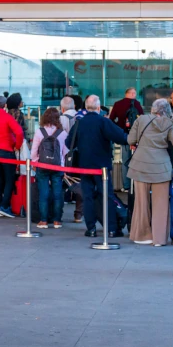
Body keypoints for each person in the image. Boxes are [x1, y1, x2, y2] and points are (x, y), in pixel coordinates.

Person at [66, 95, 128, 238]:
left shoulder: (79, 123)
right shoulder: (103, 121)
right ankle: (112, 229)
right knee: (107, 196)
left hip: (84, 166)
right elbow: (120, 136)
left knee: (87, 197)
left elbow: (69, 143)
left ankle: (91, 228)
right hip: (102, 167)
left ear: (86, 108)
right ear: (99, 108)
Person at [128, 99, 173, 246]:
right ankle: (159, 239)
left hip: (141, 165)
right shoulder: (169, 123)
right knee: (161, 204)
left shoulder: (141, 120)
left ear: (153, 109)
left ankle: (142, 236)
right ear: (166, 110)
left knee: (141, 202)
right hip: (161, 167)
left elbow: (130, 139)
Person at [31, 107, 69, 229]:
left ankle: (43, 220)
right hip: (58, 167)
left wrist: (35, 164)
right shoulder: (62, 133)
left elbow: (34, 152)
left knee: (43, 193)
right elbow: (65, 152)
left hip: (42, 166)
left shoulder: (39, 132)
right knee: (58, 193)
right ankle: (57, 220)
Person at [110, 87, 144, 191]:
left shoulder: (118, 104)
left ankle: (126, 185)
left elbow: (111, 120)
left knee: (125, 161)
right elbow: (142, 120)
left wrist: (119, 128)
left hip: (124, 136)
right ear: (133, 94)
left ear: (126, 94)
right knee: (138, 161)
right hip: (137, 136)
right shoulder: (137, 104)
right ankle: (137, 185)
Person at [60, 96, 83, 223]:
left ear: (62, 108)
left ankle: (59, 213)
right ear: (74, 106)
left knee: (61, 184)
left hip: (63, 156)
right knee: (79, 182)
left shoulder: (59, 119)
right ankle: (78, 214)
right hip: (78, 155)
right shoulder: (81, 118)